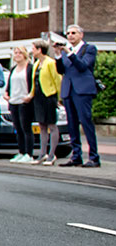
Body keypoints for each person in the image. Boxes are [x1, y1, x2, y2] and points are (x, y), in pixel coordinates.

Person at [54, 25, 101, 168]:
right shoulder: (66, 51)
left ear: (81, 34)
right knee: (72, 124)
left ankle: (94, 157)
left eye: (73, 33)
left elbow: (83, 66)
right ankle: (76, 156)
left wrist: (69, 53)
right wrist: (57, 55)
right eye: (68, 33)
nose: (70, 35)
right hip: (68, 90)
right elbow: (61, 70)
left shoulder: (89, 49)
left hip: (82, 90)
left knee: (85, 122)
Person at [27, 40, 62, 166]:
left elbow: (58, 79)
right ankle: (42, 153)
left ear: (39, 49)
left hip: (49, 96)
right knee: (42, 125)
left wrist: (59, 97)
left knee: (51, 125)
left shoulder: (50, 63)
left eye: (33, 48)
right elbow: (34, 82)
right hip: (38, 98)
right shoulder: (36, 64)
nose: (32, 51)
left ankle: (52, 154)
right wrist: (31, 95)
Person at [2, 46, 34, 163]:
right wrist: (6, 94)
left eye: (20, 52)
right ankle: (21, 151)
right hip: (13, 101)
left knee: (26, 128)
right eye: (15, 53)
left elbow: (33, 85)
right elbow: (9, 85)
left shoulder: (30, 68)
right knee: (18, 128)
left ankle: (29, 153)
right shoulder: (13, 69)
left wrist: (30, 96)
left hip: (24, 102)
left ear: (25, 54)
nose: (17, 55)